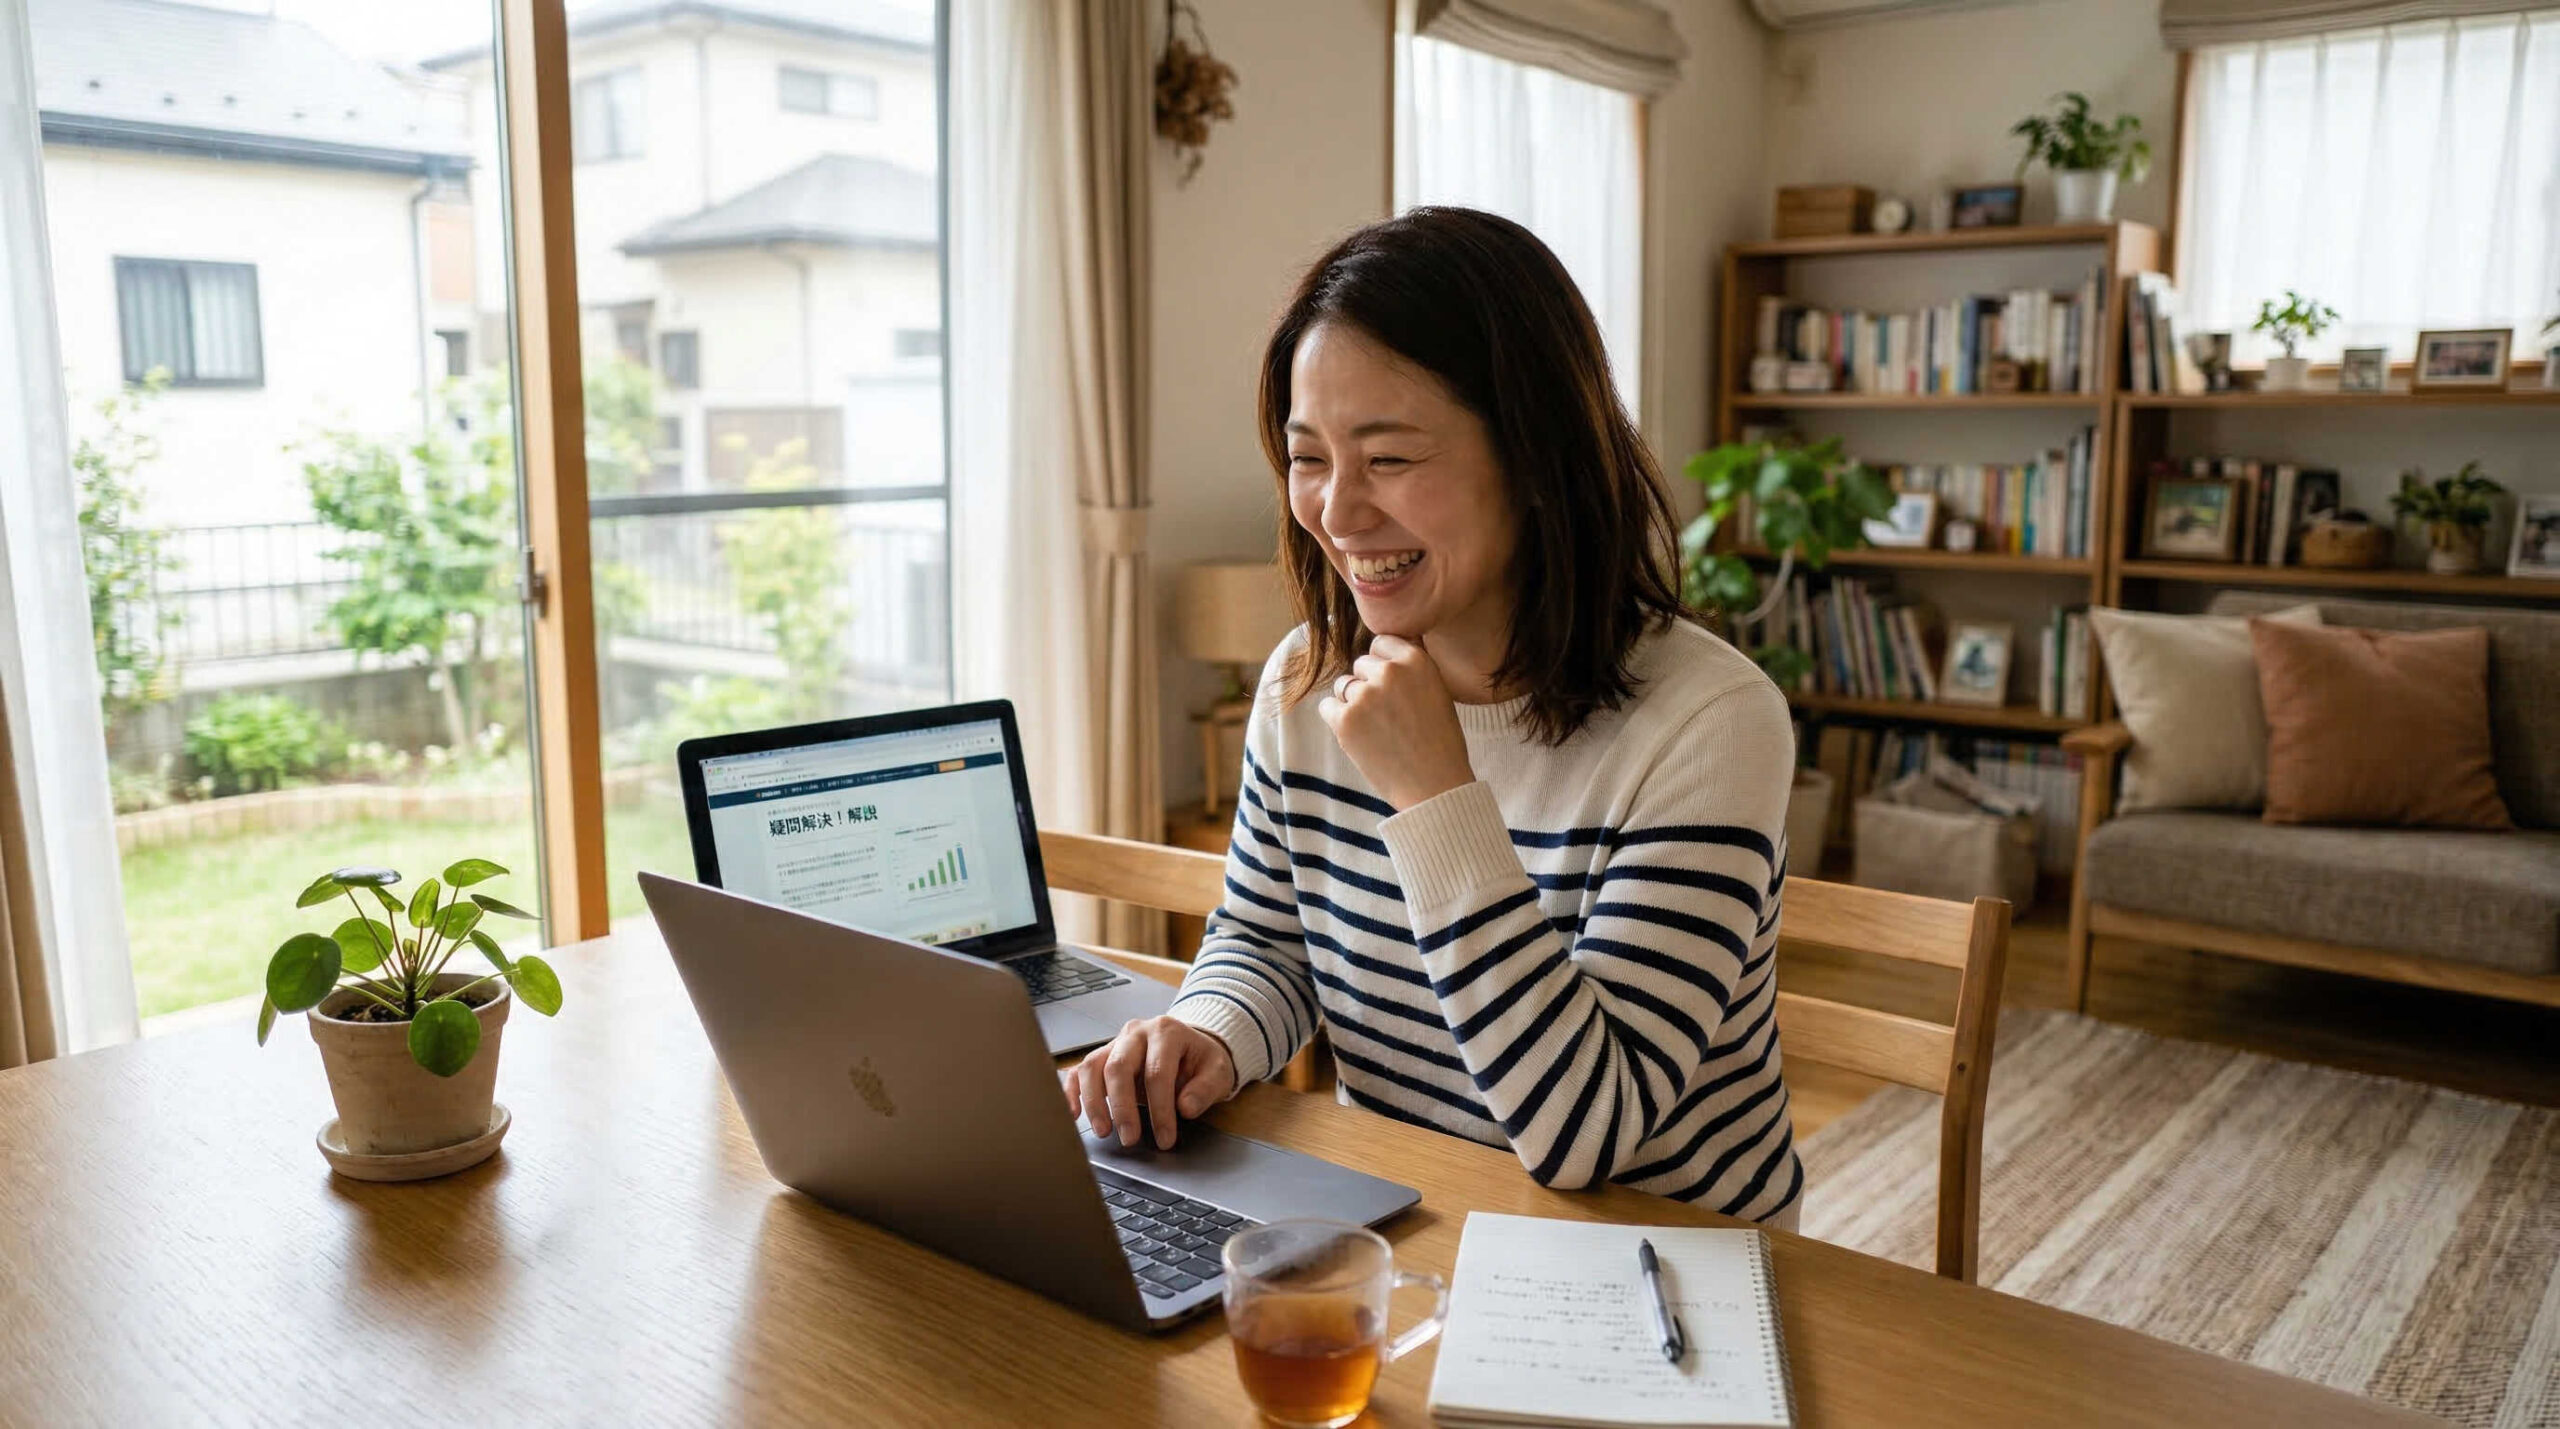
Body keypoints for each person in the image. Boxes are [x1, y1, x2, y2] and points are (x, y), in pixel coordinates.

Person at [1063, 207, 1802, 1226]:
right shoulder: (1302, 682)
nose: (1337, 510)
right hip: (1412, 1224)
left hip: (1662, 1269)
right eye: (1308, 456)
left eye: (1391, 458)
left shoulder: (1710, 723)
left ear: (1537, 458)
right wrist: (1211, 1029)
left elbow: (1586, 1129)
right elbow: (1271, 939)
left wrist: (1436, 794)